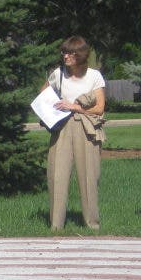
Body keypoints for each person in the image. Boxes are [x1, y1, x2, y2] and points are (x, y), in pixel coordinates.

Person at [42, 35, 105, 230]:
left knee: (88, 175)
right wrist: (49, 109)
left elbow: (100, 108)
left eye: (69, 53)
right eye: (64, 52)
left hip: (86, 127)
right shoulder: (58, 74)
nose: (65, 56)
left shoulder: (94, 76)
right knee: (57, 175)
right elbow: (43, 96)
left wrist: (74, 107)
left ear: (80, 54)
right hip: (61, 127)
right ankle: (56, 225)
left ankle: (92, 223)